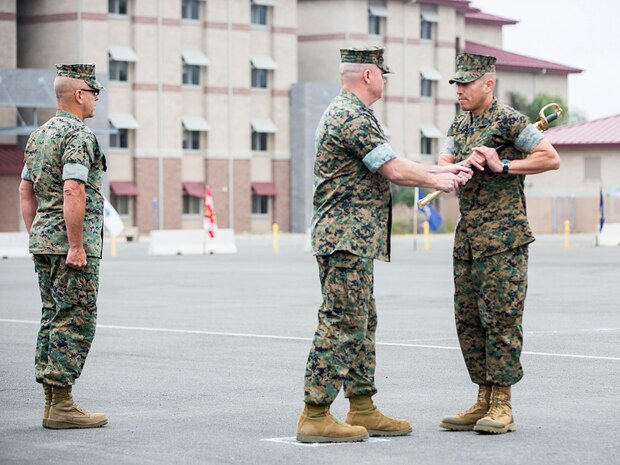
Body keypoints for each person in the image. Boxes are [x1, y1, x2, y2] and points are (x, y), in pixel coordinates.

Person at [296, 47, 472, 443]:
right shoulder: (350, 116)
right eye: (383, 74)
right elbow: (392, 169)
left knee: (361, 322)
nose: (386, 81)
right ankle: (315, 413)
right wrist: (436, 180)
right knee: (342, 321)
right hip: (346, 237)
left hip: (352, 238)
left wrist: (443, 170)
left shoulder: (352, 113)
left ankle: (362, 407)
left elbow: (391, 159)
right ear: (369, 75)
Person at [437, 53, 560, 434]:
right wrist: (450, 169)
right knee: (469, 319)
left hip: (504, 237)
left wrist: (501, 165)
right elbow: (445, 155)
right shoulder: (461, 122)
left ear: (488, 84)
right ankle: (483, 398)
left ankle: (503, 404)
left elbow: (548, 157)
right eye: (456, 83)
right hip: (469, 237)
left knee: (501, 318)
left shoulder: (510, 120)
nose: (459, 89)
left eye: (467, 83)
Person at [19, 64, 108, 429]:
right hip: (70, 247)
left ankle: (51, 403)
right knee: (75, 319)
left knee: (52, 316)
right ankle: (63, 406)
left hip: (45, 243)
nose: (97, 98)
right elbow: (74, 188)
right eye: (93, 91)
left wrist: (38, 234)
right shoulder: (78, 136)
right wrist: (74, 244)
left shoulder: (38, 136)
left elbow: (25, 190)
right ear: (78, 95)